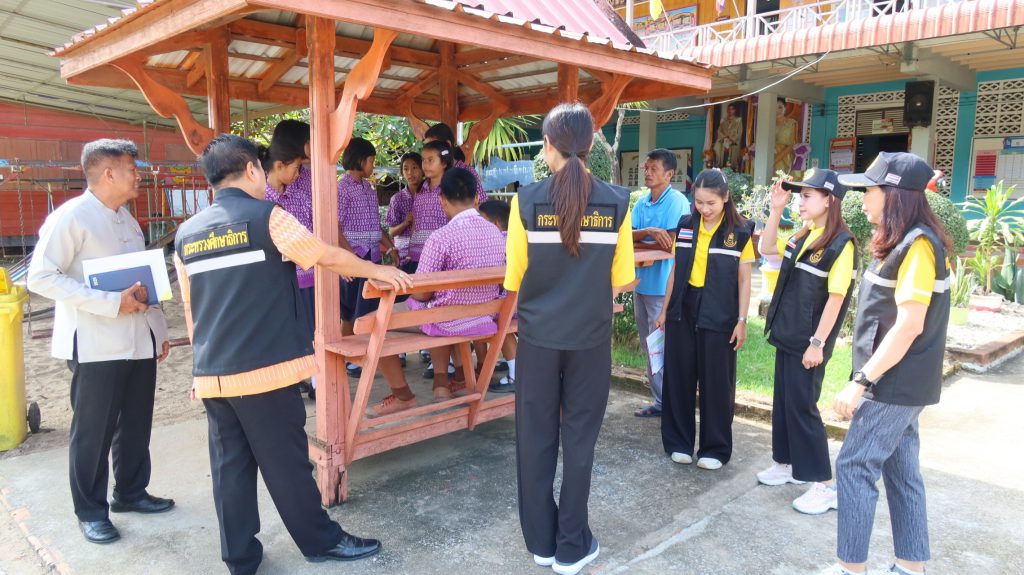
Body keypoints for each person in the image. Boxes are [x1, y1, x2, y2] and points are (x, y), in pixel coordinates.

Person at [173, 134, 412, 574]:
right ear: (251, 170)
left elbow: (192, 310)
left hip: (212, 374)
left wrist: (199, 370)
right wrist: (376, 269)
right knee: (287, 464)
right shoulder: (268, 217)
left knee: (230, 466)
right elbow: (325, 255)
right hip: (265, 370)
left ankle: (239, 557)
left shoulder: (186, 235)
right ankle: (321, 541)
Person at [506, 103, 635, 575]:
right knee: (580, 442)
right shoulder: (618, 202)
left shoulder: (524, 202)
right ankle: (571, 545)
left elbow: (514, 277)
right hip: (590, 340)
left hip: (538, 340)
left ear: (548, 146)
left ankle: (542, 542)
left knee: (534, 438)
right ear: (592, 143)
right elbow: (623, 279)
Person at [27, 138, 173, 545]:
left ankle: (131, 492)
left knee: (136, 421)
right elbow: (41, 277)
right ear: (108, 173)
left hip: (137, 339)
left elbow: (144, 282)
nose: (138, 176)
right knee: (93, 431)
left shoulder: (127, 220)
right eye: (131, 169)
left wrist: (158, 331)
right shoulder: (71, 218)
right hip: (94, 344)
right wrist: (109, 302)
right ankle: (90, 512)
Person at [818, 153, 952, 575]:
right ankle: (910, 567)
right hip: (904, 384)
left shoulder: (918, 246)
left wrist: (860, 381)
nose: (861, 200)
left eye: (869, 191)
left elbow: (909, 326)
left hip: (892, 384)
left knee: (854, 466)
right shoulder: (904, 240)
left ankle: (849, 568)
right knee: (902, 471)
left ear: (894, 195)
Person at [757, 169, 857, 515]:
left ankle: (825, 485)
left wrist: (818, 343)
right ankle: (785, 464)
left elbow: (836, 298)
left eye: (807, 196)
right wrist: (775, 210)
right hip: (788, 333)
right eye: (799, 196)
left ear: (829, 200)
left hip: (809, 341)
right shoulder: (805, 235)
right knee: (784, 402)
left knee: (803, 407)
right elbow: (766, 247)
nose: (799, 202)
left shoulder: (841, 244)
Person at [656, 168, 755, 471]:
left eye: (711, 203)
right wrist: (664, 310)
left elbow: (744, 279)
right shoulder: (685, 226)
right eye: (699, 202)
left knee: (716, 381)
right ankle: (679, 442)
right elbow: (675, 270)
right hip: (683, 308)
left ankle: (715, 448)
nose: (704, 209)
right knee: (679, 376)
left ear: (726, 198)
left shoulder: (740, 232)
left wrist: (742, 320)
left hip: (720, 312)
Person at [400, 168, 507, 404]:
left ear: (442, 201)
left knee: (373, 321)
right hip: (483, 319)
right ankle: (455, 378)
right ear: (477, 198)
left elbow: (422, 292)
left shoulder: (441, 237)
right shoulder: (496, 233)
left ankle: (406, 393)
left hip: (448, 320)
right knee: (442, 308)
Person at [630, 148, 690, 418]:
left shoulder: (677, 202)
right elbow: (627, 237)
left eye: (654, 168)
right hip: (640, 285)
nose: (647, 172)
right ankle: (660, 402)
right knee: (649, 346)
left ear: (669, 174)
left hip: (663, 288)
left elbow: (671, 240)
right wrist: (650, 233)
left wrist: (644, 238)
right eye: (646, 168)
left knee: (662, 348)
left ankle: (670, 404)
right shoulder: (641, 204)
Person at [479, 199, 518, 393]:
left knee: (497, 319)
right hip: (530, 303)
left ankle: (515, 374)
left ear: (494, 224)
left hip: (509, 307)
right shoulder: (518, 239)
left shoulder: (492, 244)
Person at [424, 122, 488, 204]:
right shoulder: (428, 175)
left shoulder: (466, 172)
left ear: (448, 144)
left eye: (433, 145)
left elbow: (481, 203)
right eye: (426, 146)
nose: (428, 150)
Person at [385, 152, 425, 275]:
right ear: (402, 173)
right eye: (406, 169)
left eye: (414, 167)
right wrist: (405, 223)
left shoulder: (431, 195)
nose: (410, 173)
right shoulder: (397, 199)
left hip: (426, 253)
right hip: (404, 256)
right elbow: (391, 232)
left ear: (423, 169)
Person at [713, 104, 743, 171]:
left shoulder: (738, 120)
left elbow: (739, 132)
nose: (730, 111)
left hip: (733, 142)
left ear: (734, 110)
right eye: (729, 109)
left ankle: (732, 168)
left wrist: (731, 138)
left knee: (732, 157)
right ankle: (720, 166)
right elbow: (719, 131)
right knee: (717, 147)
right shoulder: (723, 120)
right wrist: (724, 136)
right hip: (724, 140)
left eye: (732, 109)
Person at [774, 98, 800, 174]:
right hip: (769, 155)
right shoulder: (768, 123)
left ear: (785, 109)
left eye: (780, 107)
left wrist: (775, 160)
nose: (777, 110)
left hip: (785, 158)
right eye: (774, 107)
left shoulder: (791, 123)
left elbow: (792, 144)